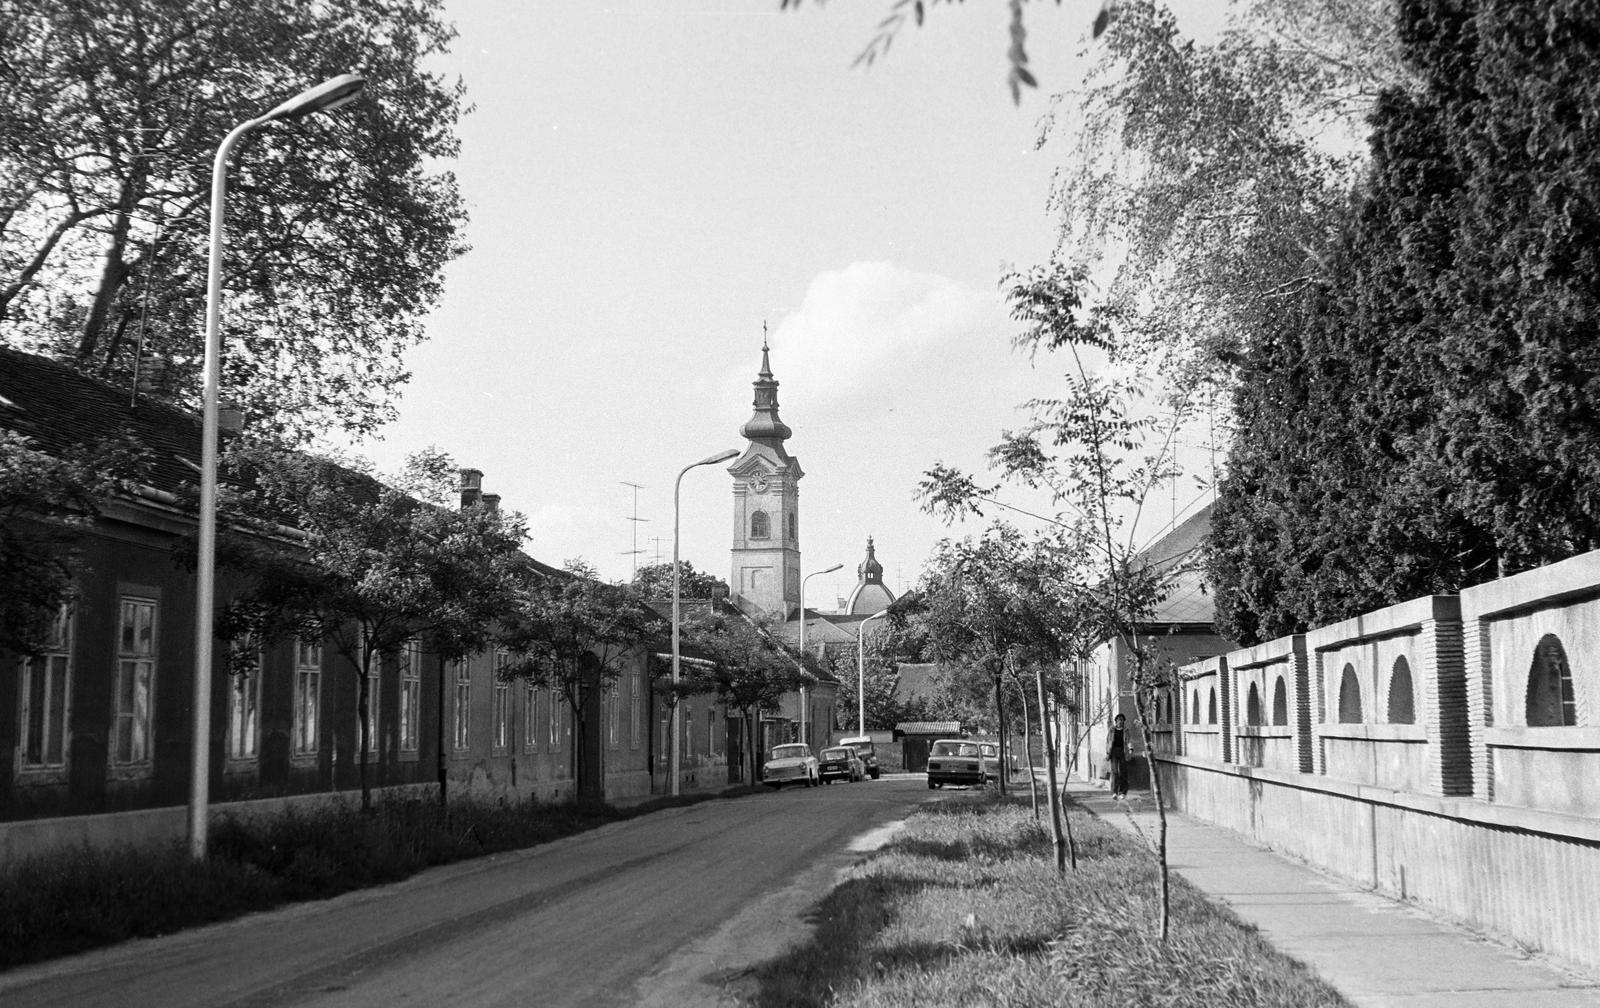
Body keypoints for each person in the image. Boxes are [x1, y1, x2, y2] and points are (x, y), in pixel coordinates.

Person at [1107, 713, 1129, 799]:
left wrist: (1130, 750)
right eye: (1119, 720)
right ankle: (1114, 792)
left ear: (1123, 722)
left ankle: (1123, 792)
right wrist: (1107, 752)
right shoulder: (1112, 730)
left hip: (1123, 752)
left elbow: (1128, 741)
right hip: (1113, 752)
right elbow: (1108, 741)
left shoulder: (1126, 730)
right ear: (1116, 721)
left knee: (1123, 772)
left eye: (1122, 720)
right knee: (1115, 772)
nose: (1120, 721)